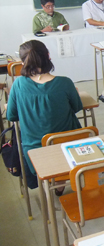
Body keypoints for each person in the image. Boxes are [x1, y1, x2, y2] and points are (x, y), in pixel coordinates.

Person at [6, 40, 82, 190]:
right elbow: (77, 107)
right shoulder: (65, 83)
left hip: (35, 154)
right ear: (48, 56)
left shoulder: (18, 85)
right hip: (70, 150)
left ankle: (50, 184)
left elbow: (11, 116)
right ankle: (60, 185)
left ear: (22, 61)